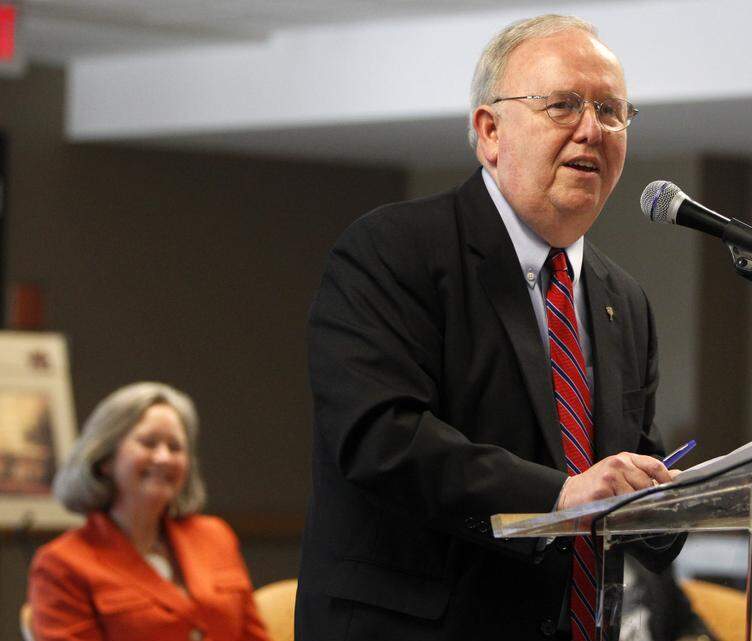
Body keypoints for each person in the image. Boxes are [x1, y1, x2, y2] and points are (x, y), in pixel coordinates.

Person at [297, 14, 683, 641]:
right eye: (563, 105)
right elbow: (380, 437)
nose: (592, 129)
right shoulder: (393, 249)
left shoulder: (624, 299)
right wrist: (560, 495)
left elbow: (633, 456)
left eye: (612, 111)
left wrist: (670, 500)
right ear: (489, 131)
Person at [27, 382, 270, 641]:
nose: (164, 457)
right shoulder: (62, 564)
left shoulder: (215, 536)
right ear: (106, 458)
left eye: (175, 447)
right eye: (149, 443)